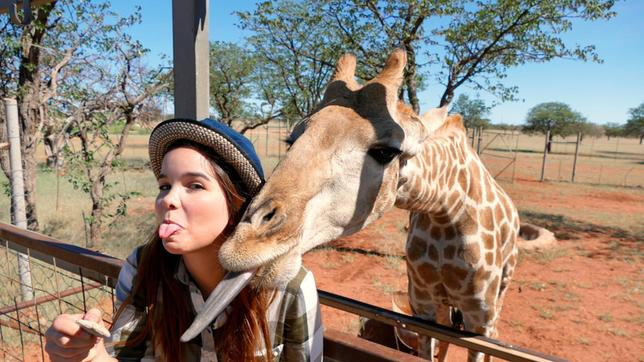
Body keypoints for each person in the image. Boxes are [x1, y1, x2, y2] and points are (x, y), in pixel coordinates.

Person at [45, 118, 324, 361]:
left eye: (194, 185)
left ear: (238, 204)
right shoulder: (143, 267)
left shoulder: (288, 286)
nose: (168, 199)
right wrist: (90, 357)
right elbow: (124, 356)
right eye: (165, 186)